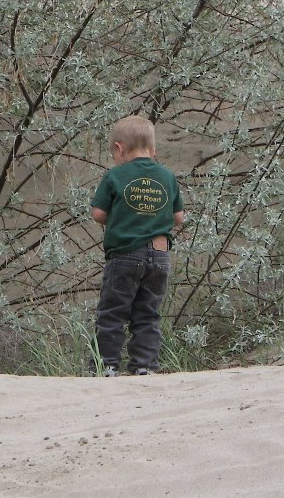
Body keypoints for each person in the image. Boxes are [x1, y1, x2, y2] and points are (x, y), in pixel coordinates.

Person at [90, 115, 184, 376]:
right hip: (160, 255)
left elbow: (98, 214)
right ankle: (144, 366)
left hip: (124, 255)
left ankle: (106, 365)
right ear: (153, 150)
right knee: (148, 312)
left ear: (119, 148)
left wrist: (122, 215)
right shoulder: (167, 177)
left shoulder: (115, 176)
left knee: (113, 311)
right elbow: (178, 218)